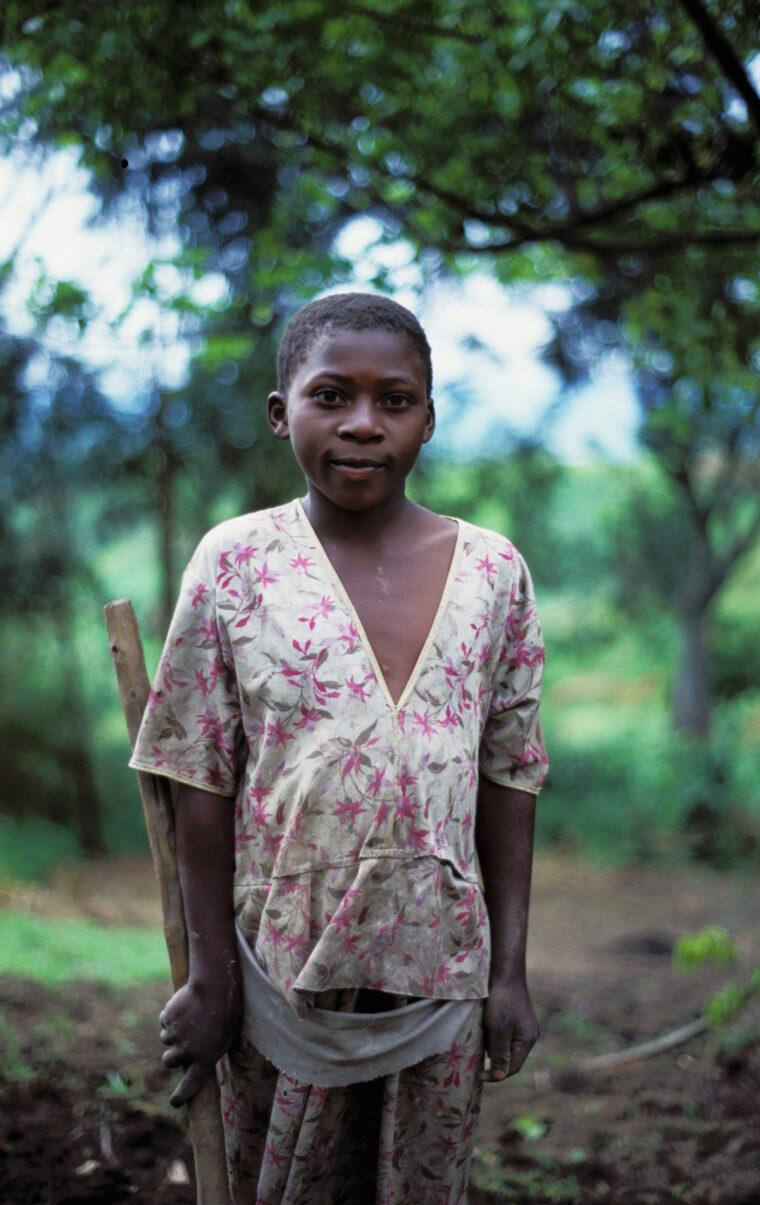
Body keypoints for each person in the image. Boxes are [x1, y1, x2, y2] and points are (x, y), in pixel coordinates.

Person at [130, 291, 548, 1204]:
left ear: (429, 419)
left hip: (444, 978)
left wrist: (509, 973)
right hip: (281, 973)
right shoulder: (236, 563)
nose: (364, 423)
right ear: (283, 414)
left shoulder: (492, 572)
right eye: (332, 396)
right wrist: (209, 979)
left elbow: (510, 778)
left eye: (394, 400)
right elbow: (198, 781)